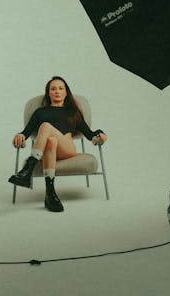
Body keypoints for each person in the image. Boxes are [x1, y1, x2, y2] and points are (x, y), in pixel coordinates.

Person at [9, 76, 107, 213]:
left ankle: (28, 168)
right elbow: (26, 132)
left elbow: (90, 134)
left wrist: (100, 133)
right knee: (51, 141)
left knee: (46, 126)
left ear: (66, 92)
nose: (57, 91)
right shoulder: (40, 112)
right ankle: (50, 194)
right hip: (46, 151)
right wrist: (20, 135)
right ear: (48, 93)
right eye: (53, 89)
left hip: (66, 149)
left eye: (61, 88)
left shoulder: (73, 112)